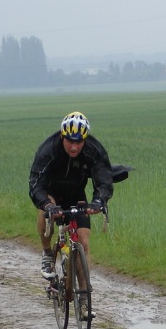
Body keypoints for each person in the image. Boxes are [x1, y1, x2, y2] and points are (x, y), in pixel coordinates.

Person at [28, 111, 113, 281]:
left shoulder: (94, 150)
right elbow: (36, 184)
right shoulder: (48, 149)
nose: (74, 147)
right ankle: (47, 253)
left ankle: (83, 294)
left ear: (85, 139)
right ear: (62, 136)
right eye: (69, 141)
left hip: (76, 195)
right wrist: (46, 204)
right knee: (46, 214)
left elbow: (104, 179)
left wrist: (98, 201)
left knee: (83, 242)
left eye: (79, 142)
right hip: (51, 193)